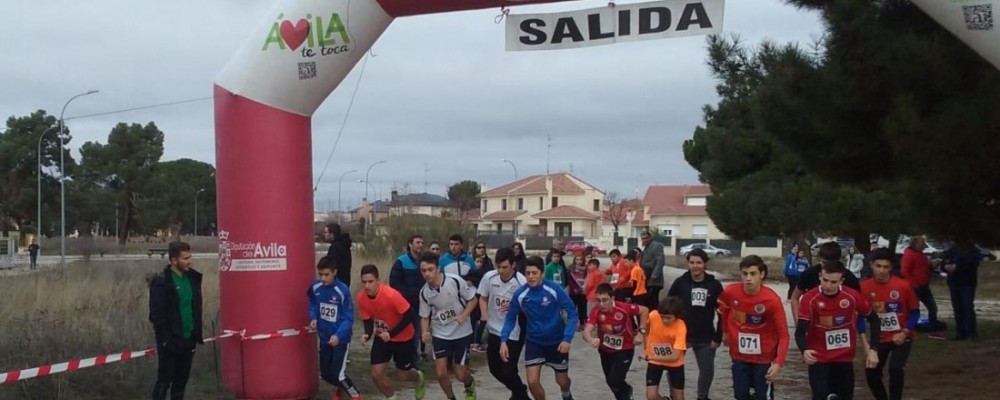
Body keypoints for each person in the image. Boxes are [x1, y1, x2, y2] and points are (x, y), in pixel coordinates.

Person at [796, 261, 880, 400]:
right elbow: (800, 332)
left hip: (844, 358)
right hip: (819, 358)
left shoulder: (852, 296)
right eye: (825, 280)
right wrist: (804, 350)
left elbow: (874, 319)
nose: (828, 286)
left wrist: (873, 350)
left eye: (833, 282)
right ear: (819, 277)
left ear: (842, 281)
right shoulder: (809, 299)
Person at [500, 256, 578, 400]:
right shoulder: (520, 294)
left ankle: (566, 394)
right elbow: (510, 318)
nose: (530, 277)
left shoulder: (554, 289)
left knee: (562, 381)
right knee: (532, 381)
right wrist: (503, 340)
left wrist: (567, 339)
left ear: (541, 273)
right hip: (535, 342)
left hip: (557, 342)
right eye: (527, 273)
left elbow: (573, 314)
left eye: (534, 273)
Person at [717, 255, 789, 400]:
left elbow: (784, 335)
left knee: (763, 396)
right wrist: (725, 332)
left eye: (753, 274)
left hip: (764, 358)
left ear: (762, 275)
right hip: (739, 355)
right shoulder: (730, 292)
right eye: (744, 274)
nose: (748, 278)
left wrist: (778, 363)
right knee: (740, 394)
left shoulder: (772, 300)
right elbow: (723, 310)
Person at [356, 264, 426, 400]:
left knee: (403, 376)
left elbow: (410, 315)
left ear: (378, 281)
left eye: (370, 282)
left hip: (403, 338)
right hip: (382, 337)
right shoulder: (361, 298)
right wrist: (367, 334)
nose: (367, 286)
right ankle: (392, 397)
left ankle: (418, 377)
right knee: (376, 374)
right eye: (364, 282)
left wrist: (391, 334)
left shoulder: (391, 295)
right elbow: (368, 320)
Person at [418, 252, 478, 400]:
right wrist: (424, 331)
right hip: (440, 333)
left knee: (460, 373)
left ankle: (469, 383)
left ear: (438, 268)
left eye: (430, 269)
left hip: (462, 332)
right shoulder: (424, 292)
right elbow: (424, 316)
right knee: (440, 373)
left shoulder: (455, 281)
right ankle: (451, 397)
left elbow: (473, 300)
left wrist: (464, 315)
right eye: (423, 271)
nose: (427, 274)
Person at [861, 248, 919, 400]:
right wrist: (864, 340)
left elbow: (915, 312)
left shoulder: (903, 286)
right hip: (879, 337)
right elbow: (859, 315)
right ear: (872, 265)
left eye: (886, 267)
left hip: (902, 335)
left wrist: (905, 331)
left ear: (891, 267)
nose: (881, 271)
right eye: (878, 266)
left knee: (895, 369)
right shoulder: (865, 287)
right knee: (871, 372)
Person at [149, 241, 203, 400]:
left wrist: (195, 334)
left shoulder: (192, 279)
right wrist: (166, 340)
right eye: (185, 258)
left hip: (189, 340)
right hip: (171, 342)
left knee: (181, 383)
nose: (189, 261)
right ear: (173, 260)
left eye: (190, 257)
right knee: (164, 381)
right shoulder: (162, 282)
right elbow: (157, 315)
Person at [667, 249, 723, 400]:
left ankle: (702, 397)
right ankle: (675, 396)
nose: (695, 266)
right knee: (673, 367)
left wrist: (718, 336)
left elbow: (723, 312)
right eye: (692, 263)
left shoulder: (714, 285)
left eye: (698, 262)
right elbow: (668, 306)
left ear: (705, 264)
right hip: (681, 335)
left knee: (707, 370)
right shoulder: (680, 283)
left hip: (705, 335)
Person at [477, 248, 531, 400]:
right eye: (498, 267)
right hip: (494, 329)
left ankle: (521, 395)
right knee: (494, 369)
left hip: (514, 331)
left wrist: (517, 306)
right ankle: (520, 391)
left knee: (508, 369)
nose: (500, 271)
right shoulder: (489, 277)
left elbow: (530, 306)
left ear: (513, 265)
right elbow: (483, 297)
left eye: (504, 267)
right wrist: (484, 315)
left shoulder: (522, 282)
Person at [582, 283, 649, 400]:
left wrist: (641, 332)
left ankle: (627, 390)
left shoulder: (623, 308)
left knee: (616, 380)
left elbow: (645, 310)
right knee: (610, 382)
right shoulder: (596, 310)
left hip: (624, 350)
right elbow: (586, 330)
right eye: (598, 300)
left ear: (612, 298)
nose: (601, 304)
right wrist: (591, 339)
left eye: (605, 300)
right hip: (605, 350)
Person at [307, 256, 361, 400]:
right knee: (326, 374)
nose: (323, 278)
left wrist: (338, 335)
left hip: (340, 339)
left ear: (334, 272)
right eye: (321, 274)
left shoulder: (342, 291)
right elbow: (311, 301)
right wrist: (313, 317)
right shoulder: (315, 286)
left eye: (327, 274)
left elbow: (348, 318)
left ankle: (356, 396)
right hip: (324, 338)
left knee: (339, 374)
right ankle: (340, 387)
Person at [790, 242, 860, 323]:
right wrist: (798, 322)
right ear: (820, 258)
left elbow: (858, 305)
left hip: (839, 323)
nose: (828, 268)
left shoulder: (849, 278)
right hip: (814, 323)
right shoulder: (809, 274)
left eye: (834, 282)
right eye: (824, 263)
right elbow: (795, 298)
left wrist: (850, 323)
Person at [390, 235, 429, 361]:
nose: (421, 245)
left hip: (421, 304)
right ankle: (403, 359)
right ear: (410, 244)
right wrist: (405, 297)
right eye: (418, 242)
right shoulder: (401, 261)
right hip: (405, 305)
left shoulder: (424, 262)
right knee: (405, 332)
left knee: (417, 333)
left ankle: (413, 359)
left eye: (422, 242)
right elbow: (394, 282)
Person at [641, 296, 688, 400]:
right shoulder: (653, 315)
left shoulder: (681, 327)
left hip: (675, 363)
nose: (664, 320)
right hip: (655, 362)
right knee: (651, 396)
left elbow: (674, 357)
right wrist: (646, 341)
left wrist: (650, 357)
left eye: (668, 318)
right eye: (662, 317)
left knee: (678, 397)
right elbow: (646, 327)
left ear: (677, 316)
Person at [900, 236, 943, 337]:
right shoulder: (909, 255)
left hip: (924, 286)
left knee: (932, 308)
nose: (924, 245)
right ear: (915, 244)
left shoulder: (921, 255)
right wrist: (914, 284)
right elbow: (905, 271)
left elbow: (923, 269)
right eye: (922, 243)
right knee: (913, 309)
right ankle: (909, 330)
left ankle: (933, 330)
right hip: (914, 287)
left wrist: (932, 265)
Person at [940, 242, 981, 341]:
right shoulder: (951, 250)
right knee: (957, 308)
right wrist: (945, 267)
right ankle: (960, 332)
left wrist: (957, 267)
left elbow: (973, 263)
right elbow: (943, 262)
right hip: (954, 283)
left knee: (967, 307)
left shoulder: (972, 250)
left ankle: (971, 333)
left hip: (967, 283)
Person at [640, 231, 666, 310]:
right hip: (647, 279)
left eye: (646, 238)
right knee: (648, 301)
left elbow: (660, 261)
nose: (644, 240)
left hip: (654, 281)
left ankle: (656, 318)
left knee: (652, 302)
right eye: (642, 239)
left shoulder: (656, 246)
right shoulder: (647, 247)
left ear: (650, 237)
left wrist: (654, 275)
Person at [323, 223, 353, 288]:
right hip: (345, 281)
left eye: (326, 232)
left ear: (332, 234)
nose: (324, 234)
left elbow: (330, 266)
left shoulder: (335, 248)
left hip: (336, 283)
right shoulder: (345, 245)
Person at [567, 254, 588, 331]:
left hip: (582, 292)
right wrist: (575, 288)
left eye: (580, 259)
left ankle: (582, 323)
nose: (579, 261)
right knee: (573, 308)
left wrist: (584, 288)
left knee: (582, 308)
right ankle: (574, 324)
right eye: (577, 259)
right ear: (574, 260)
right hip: (573, 292)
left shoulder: (586, 269)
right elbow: (569, 280)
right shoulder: (570, 269)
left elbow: (587, 279)